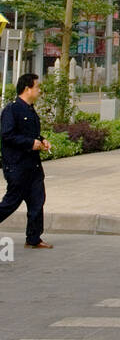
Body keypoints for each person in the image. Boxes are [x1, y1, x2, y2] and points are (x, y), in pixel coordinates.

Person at [0, 73, 52, 249]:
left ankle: (33, 238)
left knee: (37, 201)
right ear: (27, 88)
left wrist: (41, 140)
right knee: (10, 203)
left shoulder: (30, 109)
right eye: (37, 87)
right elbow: (7, 135)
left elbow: (31, 134)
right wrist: (31, 143)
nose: (39, 91)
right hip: (17, 166)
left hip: (33, 166)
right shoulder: (11, 110)